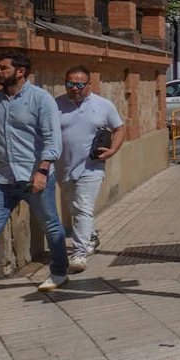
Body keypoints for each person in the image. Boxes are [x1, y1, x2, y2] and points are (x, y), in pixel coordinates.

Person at [0, 52, 67, 307]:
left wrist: (43, 171)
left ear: (20, 71)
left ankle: (59, 271)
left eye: (2, 68)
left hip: (33, 176)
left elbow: (52, 139)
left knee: (51, 226)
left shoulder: (41, 99)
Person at [56, 66, 125, 273]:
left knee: (82, 206)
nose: (74, 88)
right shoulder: (56, 105)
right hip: (64, 166)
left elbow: (119, 129)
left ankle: (79, 253)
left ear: (89, 85)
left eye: (79, 84)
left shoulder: (103, 105)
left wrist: (112, 150)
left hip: (92, 167)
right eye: (70, 84)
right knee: (74, 207)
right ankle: (91, 236)